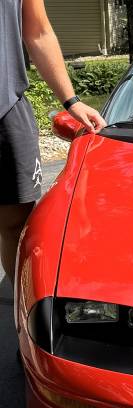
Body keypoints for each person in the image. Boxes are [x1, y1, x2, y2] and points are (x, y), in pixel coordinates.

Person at [1, 0, 106, 283]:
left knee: (16, 224)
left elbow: (38, 32)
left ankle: (20, 315)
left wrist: (71, 101)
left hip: (7, 108)